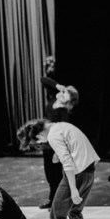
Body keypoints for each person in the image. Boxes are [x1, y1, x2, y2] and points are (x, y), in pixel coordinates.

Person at [19, 118, 100, 219]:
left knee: (56, 216)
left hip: (76, 174)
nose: (41, 143)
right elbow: (83, 147)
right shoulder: (63, 126)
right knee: (75, 212)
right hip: (89, 171)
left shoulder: (53, 135)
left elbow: (68, 163)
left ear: (39, 135)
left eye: (38, 141)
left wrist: (73, 188)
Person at [38, 59, 79, 210]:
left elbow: (63, 132)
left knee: (57, 175)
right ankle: (52, 199)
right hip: (46, 143)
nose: (61, 93)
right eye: (62, 91)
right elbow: (43, 79)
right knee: (49, 174)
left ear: (68, 101)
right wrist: (58, 86)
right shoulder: (53, 99)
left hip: (56, 145)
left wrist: (58, 151)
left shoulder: (63, 113)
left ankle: (59, 202)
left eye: (65, 93)